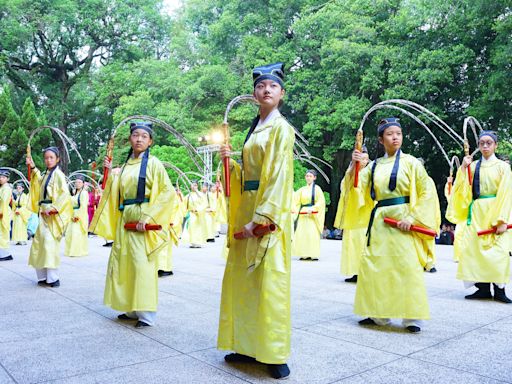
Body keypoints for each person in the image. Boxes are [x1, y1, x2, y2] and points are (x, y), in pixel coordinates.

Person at [218, 62, 294, 379]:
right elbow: (246, 177)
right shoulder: (255, 129)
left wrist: (263, 218)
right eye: (261, 86)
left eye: (272, 86)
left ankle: (274, 352)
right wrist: (229, 163)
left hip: (266, 211)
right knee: (244, 282)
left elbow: (277, 177)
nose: (266, 90)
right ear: (254, 93)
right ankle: (246, 345)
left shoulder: (280, 129)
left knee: (269, 281)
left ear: (281, 94)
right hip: (247, 206)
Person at [345, 117, 439, 333]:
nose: (395, 137)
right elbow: (357, 189)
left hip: (403, 219)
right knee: (375, 266)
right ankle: (378, 313)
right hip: (380, 220)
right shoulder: (375, 165)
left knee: (407, 266)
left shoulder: (412, 163)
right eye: (390, 134)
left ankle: (411, 317)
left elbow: (427, 192)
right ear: (381, 139)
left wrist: (413, 218)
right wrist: (355, 166)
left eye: (398, 133)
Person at [91, 122, 175, 327]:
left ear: (150, 141)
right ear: (130, 139)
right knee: (124, 262)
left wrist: (148, 217)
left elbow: (167, 192)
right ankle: (130, 308)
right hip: (125, 216)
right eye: (135, 135)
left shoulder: (154, 163)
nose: (139, 139)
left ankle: (146, 313)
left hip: (142, 215)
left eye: (144, 136)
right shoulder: (125, 166)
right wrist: (111, 175)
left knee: (142, 263)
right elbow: (116, 192)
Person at [446, 131, 512, 303]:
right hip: (476, 212)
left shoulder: (503, 167)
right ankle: (482, 288)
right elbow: (462, 189)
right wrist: (463, 168)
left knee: (499, 251)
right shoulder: (473, 166)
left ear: (495, 145)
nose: (485, 146)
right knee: (474, 250)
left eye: (489, 143)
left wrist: (502, 220)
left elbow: (506, 194)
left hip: (496, 209)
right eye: (482, 143)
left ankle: (499, 290)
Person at [26, 147, 73, 287]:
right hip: (43, 213)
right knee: (39, 245)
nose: (48, 160)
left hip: (51, 214)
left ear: (58, 159)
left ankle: (53, 278)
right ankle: (42, 276)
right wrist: (33, 167)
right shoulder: (47, 174)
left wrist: (53, 208)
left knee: (49, 244)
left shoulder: (58, 174)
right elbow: (39, 183)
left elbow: (64, 194)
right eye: (46, 157)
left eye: (51, 157)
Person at [334, 147, 370, 282]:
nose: (364, 162)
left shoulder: (370, 173)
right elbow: (345, 187)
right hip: (352, 213)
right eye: (362, 158)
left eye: (366, 159)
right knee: (352, 243)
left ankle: (365, 272)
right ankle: (355, 271)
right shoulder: (350, 173)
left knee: (363, 242)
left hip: (364, 213)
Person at [292, 170, 325, 260]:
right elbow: (295, 200)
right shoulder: (302, 190)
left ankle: (313, 254)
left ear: (314, 178)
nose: (308, 178)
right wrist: (293, 209)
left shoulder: (317, 189)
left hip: (312, 214)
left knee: (312, 234)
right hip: (303, 213)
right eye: (307, 176)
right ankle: (304, 254)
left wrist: (313, 208)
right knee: (303, 233)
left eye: (310, 176)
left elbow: (321, 202)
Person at [64, 175, 89, 257]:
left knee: (76, 233)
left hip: (79, 215)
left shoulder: (84, 193)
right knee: (69, 234)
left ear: (83, 184)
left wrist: (78, 216)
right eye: (76, 182)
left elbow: (83, 206)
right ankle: (70, 250)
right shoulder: (75, 193)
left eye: (79, 182)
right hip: (73, 214)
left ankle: (77, 251)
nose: (77, 184)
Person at [182, 181, 208, 248]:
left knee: (198, 228)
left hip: (199, 214)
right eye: (192, 185)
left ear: (197, 186)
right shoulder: (188, 196)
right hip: (191, 214)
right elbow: (183, 204)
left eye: (195, 185)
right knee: (191, 227)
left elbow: (204, 203)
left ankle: (198, 242)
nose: (194, 187)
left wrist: (198, 210)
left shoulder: (201, 195)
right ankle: (193, 242)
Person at [0, 169, 13, 261]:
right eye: (0, 177)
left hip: (3, 211)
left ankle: (5, 254)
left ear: (7, 179)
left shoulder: (6, 188)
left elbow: (4, 202)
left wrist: (1, 212)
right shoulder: (2, 188)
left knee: (3, 233)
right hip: (2, 210)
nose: (1, 178)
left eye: (3, 177)